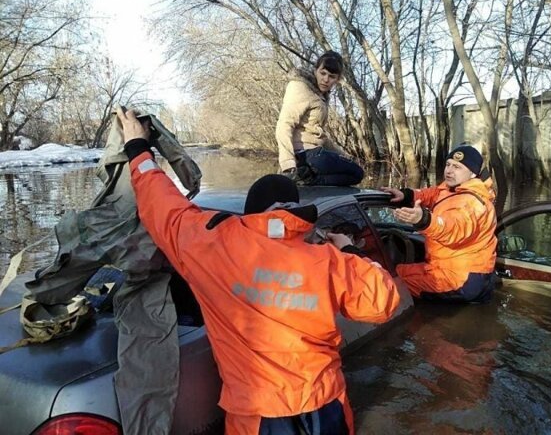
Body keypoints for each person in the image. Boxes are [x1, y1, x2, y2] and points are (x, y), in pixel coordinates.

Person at [116, 107, 400, 435]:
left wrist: (138, 149)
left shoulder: (213, 244)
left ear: (250, 213)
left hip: (257, 416)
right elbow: (383, 302)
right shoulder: (329, 261)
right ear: (294, 210)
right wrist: (348, 249)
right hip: (324, 407)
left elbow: (162, 206)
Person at [382, 145, 497, 303]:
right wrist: (407, 195)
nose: (449, 171)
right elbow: (434, 194)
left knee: (389, 282)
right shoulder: (452, 188)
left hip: (461, 278)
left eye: (457, 167)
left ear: (472, 173)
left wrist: (424, 220)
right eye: (448, 164)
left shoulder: (470, 203)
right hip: (449, 268)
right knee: (397, 271)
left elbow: (453, 229)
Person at [276, 51, 364, 186]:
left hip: (314, 154)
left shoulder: (320, 95)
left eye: (332, 76)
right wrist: (288, 165)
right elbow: (284, 124)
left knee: (353, 171)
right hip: (305, 154)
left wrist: (344, 155)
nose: (326, 79)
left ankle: (308, 179)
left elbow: (320, 135)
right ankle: (309, 181)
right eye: (323, 73)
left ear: (338, 79)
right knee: (357, 173)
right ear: (315, 70)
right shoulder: (300, 87)